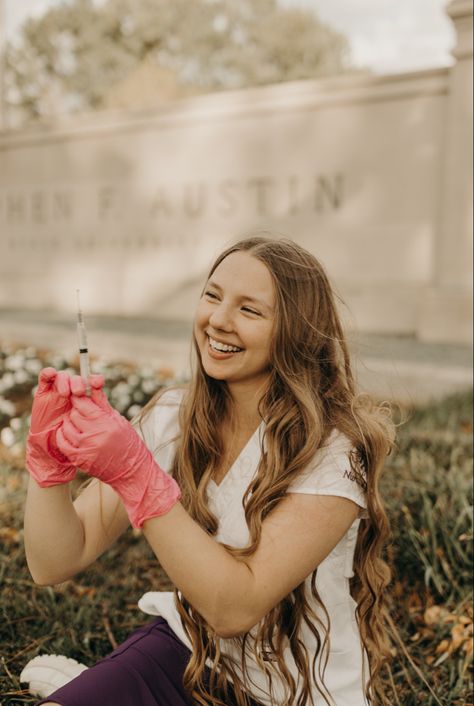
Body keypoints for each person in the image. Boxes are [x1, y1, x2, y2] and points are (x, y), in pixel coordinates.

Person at [23, 235, 395, 706]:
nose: (218, 320)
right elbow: (55, 562)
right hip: (188, 653)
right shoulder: (172, 416)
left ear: (295, 332)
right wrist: (48, 468)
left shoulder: (333, 451)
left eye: (250, 310)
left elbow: (233, 608)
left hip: (295, 693)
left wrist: (138, 476)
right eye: (213, 295)